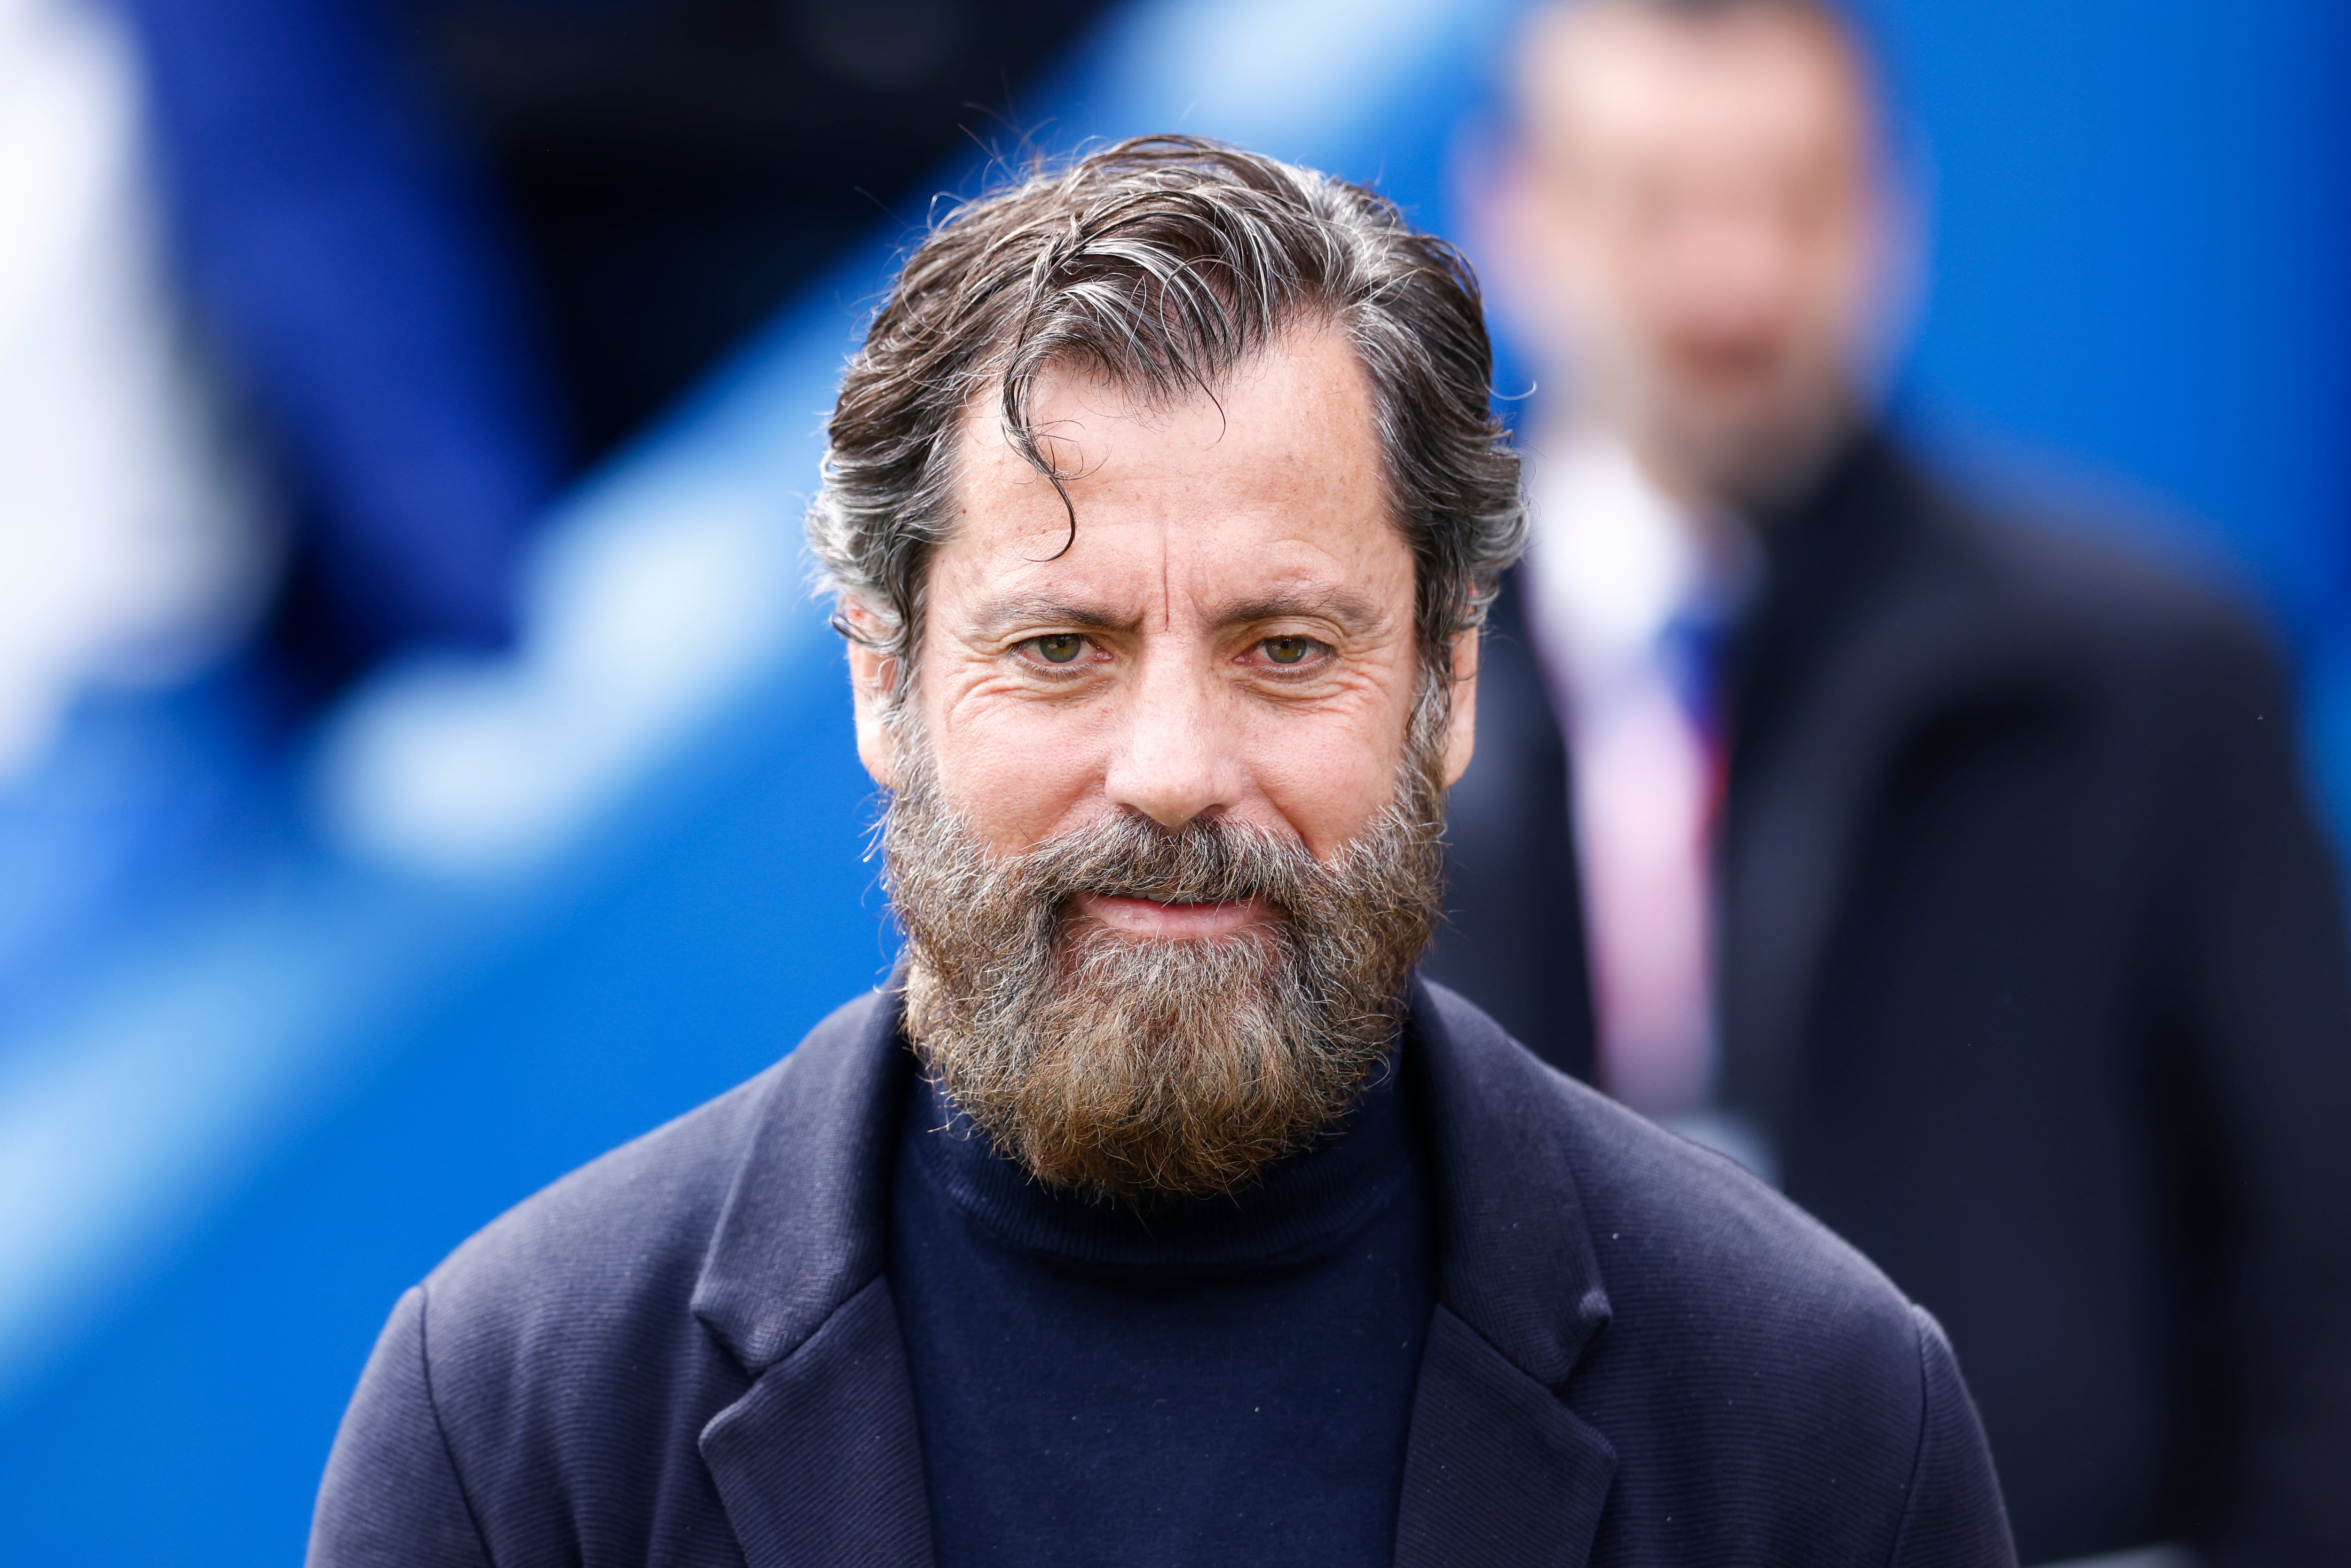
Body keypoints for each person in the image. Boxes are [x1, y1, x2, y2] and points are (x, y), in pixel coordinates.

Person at [307, 138, 2014, 1567]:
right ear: (883, 682)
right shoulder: (518, 1426)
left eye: (1286, 647)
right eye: (1060, 647)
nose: (1176, 773)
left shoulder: (1818, 1423)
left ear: (1450, 681)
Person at [1431, 1, 2351, 1563]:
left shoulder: (2154, 673)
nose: (1742, 281)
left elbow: (2318, 1280)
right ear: (1514, 215)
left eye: (1800, 200)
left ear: (1897, 214)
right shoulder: (1367, 690)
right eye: (1661, 204)